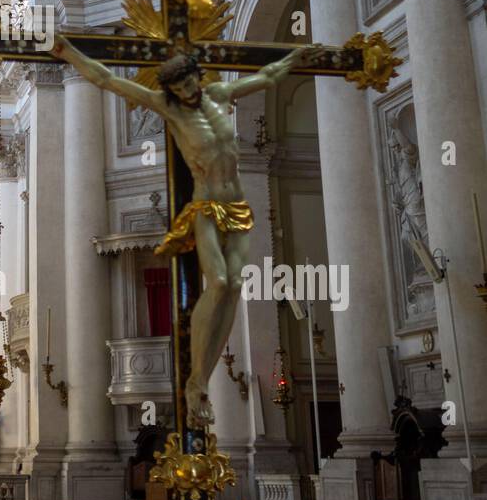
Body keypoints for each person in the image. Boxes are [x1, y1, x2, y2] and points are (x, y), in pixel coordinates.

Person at [53, 35, 319, 424]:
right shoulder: (169, 109)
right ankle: (196, 380)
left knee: (232, 289)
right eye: (179, 87)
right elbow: (107, 80)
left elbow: (267, 76)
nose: (187, 91)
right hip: (206, 206)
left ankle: (201, 377)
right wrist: (68, 53)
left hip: (237, 205)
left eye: (190, 82)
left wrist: (295, 56)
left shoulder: (219, 93)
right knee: (221, 282)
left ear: (198, 76)